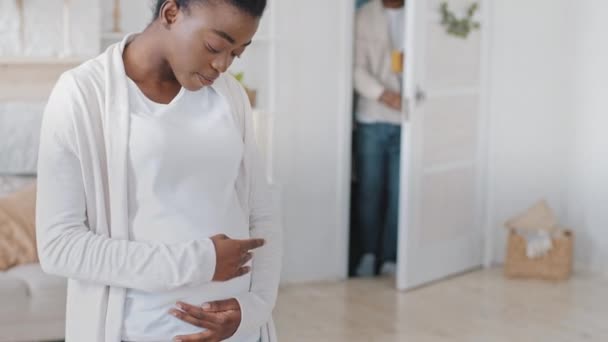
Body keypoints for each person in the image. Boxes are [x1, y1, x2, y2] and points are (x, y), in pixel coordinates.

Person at [35, 1, 281, 341]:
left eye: (237, 53)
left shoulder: (230, 96)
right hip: (141, 332)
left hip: (240, 334)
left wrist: (254, 309)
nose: (222, 65)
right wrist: (200, 262)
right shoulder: (82, 95)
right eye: (214, 47)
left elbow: (261, 215)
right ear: (171, 13)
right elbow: (59, 247)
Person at [353, 0, 405, 277]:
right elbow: (355, 68)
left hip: (408, 120)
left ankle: (390, 258)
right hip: (373, 117)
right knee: (369, 191)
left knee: (400, 194)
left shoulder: (419, 16)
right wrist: (385, 96)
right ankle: (369, 254)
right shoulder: (364, 15)